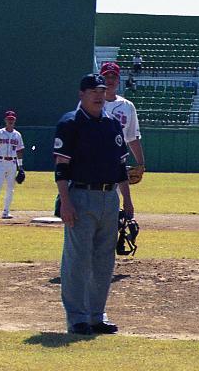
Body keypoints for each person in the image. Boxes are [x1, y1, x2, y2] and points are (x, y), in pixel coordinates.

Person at [54, 73, 134, 335]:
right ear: (82, 95)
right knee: (78, 259)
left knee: (103, 260)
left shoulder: (111, 124)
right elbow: (61, 167)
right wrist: (65, 203)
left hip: (109, 197)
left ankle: (96, 316)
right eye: (93, 91)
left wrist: (128, 201)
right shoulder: (70, 123)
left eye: (102, 90)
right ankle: (77, 317)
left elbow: (121, 166)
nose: (99, 95)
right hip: (80, 195)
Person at [98, 62, 146, 185]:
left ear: (118, 80)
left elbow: (132, 138)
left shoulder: (128, 106)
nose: (110, 80)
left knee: (113, 201)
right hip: (92, 160)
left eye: (113, 77)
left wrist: (141, 164)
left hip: (116, 162)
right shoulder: (89, 103)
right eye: (106, 77)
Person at [0, 111, 25, 219]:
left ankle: (6, 212)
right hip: (1, 162)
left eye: (12, 119)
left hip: (13, 163)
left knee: (10, 189)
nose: (10, 121)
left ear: (15, 120)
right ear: (5, 120)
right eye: (9, 119)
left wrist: (20, 167)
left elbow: (19, 151)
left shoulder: (17, 135)